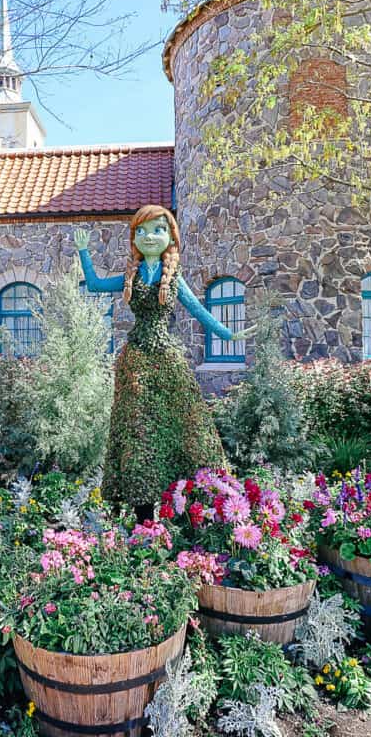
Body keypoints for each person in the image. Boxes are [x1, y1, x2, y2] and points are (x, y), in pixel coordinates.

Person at [75, 205, 253, 513]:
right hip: (136, 357)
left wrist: (228, 334)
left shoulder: (174, 278)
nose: (149, 237)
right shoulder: (132, 275)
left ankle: (197, 498)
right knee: (138, 426)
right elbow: (95, 285)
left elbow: (197, 310)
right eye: (141, 231)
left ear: (170, 235)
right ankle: (142, 508)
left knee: (185, 420)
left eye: (157, 230)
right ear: (134, 239)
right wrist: (83, 253)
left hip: (165, 355)